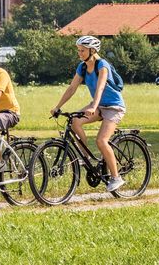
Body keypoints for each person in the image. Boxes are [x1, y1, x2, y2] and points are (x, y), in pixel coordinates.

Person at [49, 35, 126, 192]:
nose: (79, 53)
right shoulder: (82, 67)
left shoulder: (102, 65)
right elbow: (72, 88)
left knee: (101, 141)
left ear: (92, 50)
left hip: (113, 107)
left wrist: (93, 107)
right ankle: (86, 158)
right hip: (98, 106)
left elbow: (100, 88)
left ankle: (116, 177)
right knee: (74, 122)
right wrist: (57, 106)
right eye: (78, 50)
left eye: (82, 50)